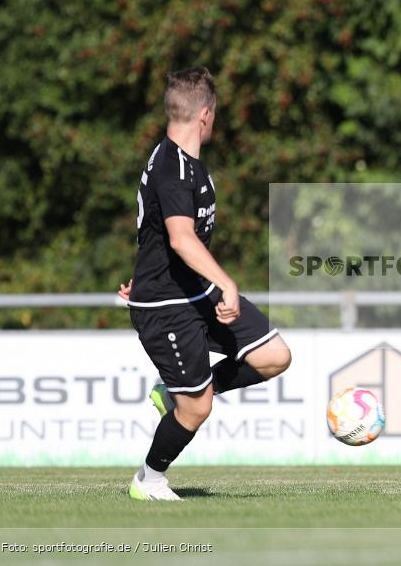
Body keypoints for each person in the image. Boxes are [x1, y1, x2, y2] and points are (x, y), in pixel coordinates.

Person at [118, 66, 292, 500]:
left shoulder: (185, 164)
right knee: (196, 407)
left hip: (192, 291)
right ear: (205, 114)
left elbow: (155, 231)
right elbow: (179, 237)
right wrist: (227, 284)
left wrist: (145, 270)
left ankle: (176, 388)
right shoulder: (175, 168)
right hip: (167, 305)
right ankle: (150, 479)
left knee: (274, 356)